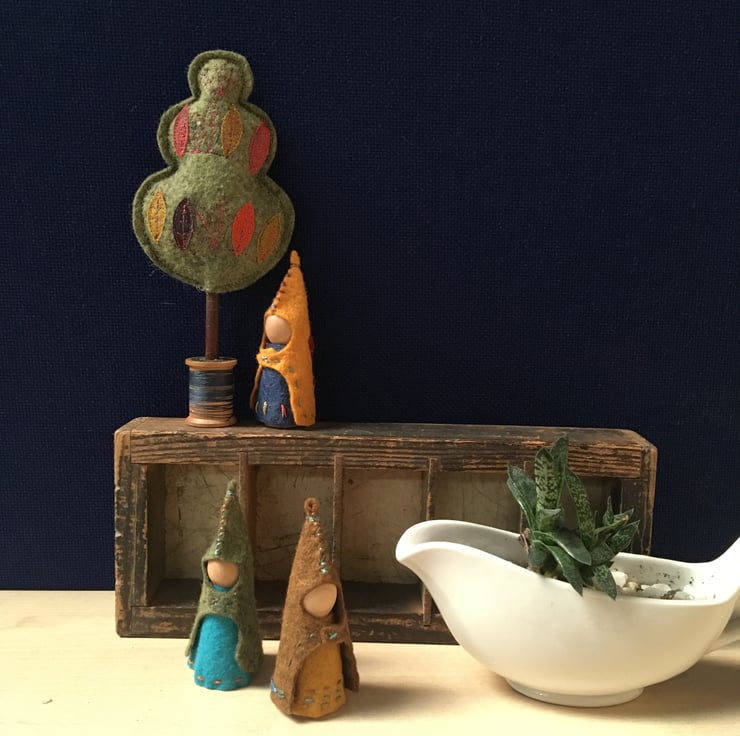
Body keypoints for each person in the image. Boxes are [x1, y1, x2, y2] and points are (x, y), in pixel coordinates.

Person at [270, 498, 359, 717]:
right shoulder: (297, 627)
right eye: (313, 592)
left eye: (331, 592)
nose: (326, 600)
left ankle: (327, 697)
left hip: (329, 672)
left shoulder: (333, 622)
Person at [185, 481, 263, 690]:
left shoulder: (241, 598)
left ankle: (227, 671)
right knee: (214, 635)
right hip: (215, 643)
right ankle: (212, 670)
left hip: (238, 658)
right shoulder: (211, 596)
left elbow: (247, 630)